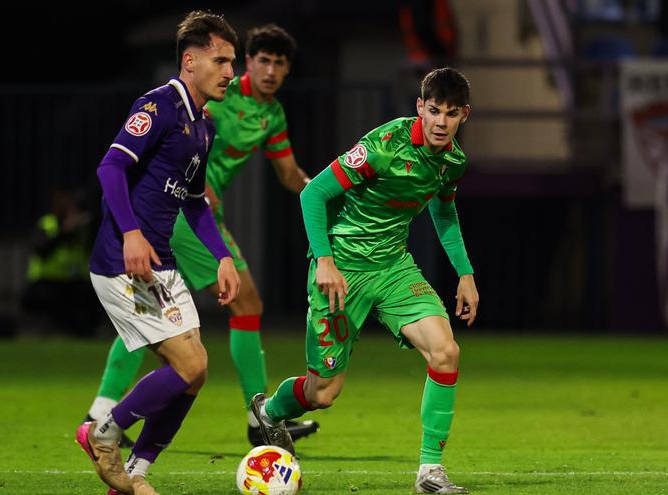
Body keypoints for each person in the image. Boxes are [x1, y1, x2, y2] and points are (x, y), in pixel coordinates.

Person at [83, 23, 318, 449]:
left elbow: (288, 174)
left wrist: (324, 191)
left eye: (279, 64)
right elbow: (143, 159)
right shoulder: (214, 99)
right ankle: (259, 415)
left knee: (150, 311)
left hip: (198, 213)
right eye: (261, 60)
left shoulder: (273, 115)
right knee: (242, 304)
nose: (269, 71)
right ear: (248, 62)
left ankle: (101, 413)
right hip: (181, 216)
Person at [251, 67, 479, 494]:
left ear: (464, 115)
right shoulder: (383, 146)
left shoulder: (452, 162)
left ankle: (430, 471)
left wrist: (464, 272)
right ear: (419, 108)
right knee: (323, 393)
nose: (440, 122)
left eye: (450, 114)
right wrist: (323, 260)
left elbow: (444, 213)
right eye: (433, 111)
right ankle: (271, 410)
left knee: (445, 352)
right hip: (341, 272)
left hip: (393, 268)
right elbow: (313, 193)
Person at [75, 11, 241, 495]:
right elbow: (110, 170)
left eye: (232, 62)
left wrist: (222, 256)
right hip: (121, 262)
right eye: (221, 60)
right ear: (190, 61)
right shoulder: (159, 106)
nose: (230, 72)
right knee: (190, 366)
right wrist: (129, 232)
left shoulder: (202, 126)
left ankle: (134, 476)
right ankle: (103, 431)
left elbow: (195, 202)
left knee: (193, 376)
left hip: (160, 262)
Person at [21, 189, 98, 335]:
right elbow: (42, 250)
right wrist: (64, 231)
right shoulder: (47, 223)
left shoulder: (80, 229)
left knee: (89, 296)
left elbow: (87, 250)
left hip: (72, 282)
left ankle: (84, 333)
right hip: (46, 280)